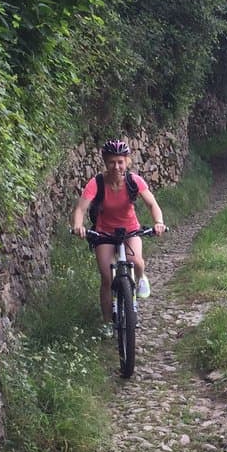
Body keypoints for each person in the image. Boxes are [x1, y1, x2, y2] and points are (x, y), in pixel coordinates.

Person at [70, 139, 166, 327]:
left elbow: (152, 204)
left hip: (130, 230)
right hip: (104, 233)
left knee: (136, 261)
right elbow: (80, 209)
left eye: (120, 162)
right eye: (112, 162)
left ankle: (140, 278)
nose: (116, 166)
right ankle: (107, 323)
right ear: (105, 162)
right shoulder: (96, 183)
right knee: (106, 277)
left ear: (127, 162)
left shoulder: (134, 181)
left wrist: (159, 222)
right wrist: (78, 225)